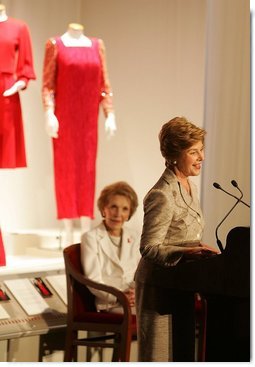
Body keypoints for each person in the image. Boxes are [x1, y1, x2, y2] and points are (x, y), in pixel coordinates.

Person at [135, 116, 219, 362]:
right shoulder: (162, 194)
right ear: (174, 154)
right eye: (194, 152)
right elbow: (148, 247)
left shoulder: (190, 186)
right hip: (158, 289)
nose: (201, 157)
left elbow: (185, 235)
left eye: (201, 150)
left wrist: (198, 248)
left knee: (181, 356)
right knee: (159, 357)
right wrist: (185, 253)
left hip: (182, 284)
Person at [42, 23, 116, 246]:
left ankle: (84, 228)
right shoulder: (55, 45)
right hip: (65, 118)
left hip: (88, 120)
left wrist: (109, 113)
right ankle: (67, 229)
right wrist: (49, 112)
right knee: (65, 169)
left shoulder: (97, 46)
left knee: (87, 169)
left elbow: (104, 84)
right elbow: (48, 85)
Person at [81, 181, 140, 313]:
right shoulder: (90, 238)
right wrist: (119, 297)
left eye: (125, 209)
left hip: (135, 300)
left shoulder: (135, 236)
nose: (118, 214)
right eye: (113, 207)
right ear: (104, 209)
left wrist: (136, 293)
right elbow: (93, 279)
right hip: (110, 303)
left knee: (165, 315)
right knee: (150, 319)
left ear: (130, 212)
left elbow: (140, 273)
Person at [0, 4, 36, 168]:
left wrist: (19, 84)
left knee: (5, 143)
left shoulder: (19, 28)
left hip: (6, 90)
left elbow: (26, 64)